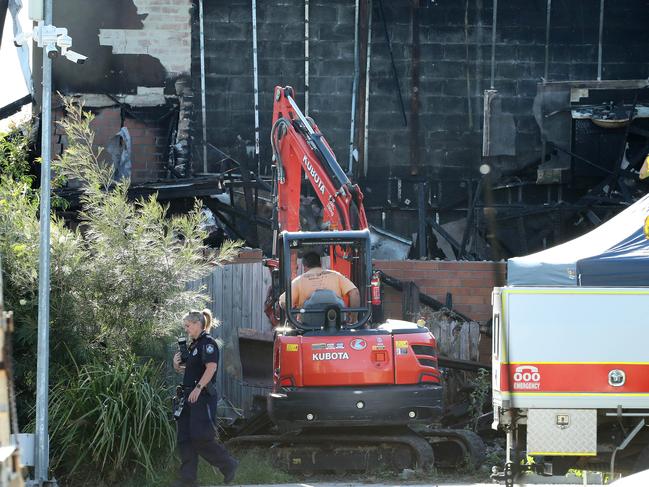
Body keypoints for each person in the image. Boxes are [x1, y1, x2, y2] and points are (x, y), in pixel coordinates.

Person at [172, 309, 238, 487]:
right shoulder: (194, 345)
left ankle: (228, 464)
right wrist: (177, 366)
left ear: (196, 324)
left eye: (188, 326)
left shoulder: (208, 343)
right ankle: (188, 479)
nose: (186, 330)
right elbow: (195, 370)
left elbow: (211, 368)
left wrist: (199, 388)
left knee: (201, 436)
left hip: (201, 397)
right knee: (185, 437)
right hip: (187, 396)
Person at [279, 251, 361, 312]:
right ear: (320, 263)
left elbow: (283, 301)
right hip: (337, 323)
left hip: (306, 326)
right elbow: (355, 293)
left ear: (304, 266)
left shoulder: (299, 281)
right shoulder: (336, 276)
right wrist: (353, 318)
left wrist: (294, 319)